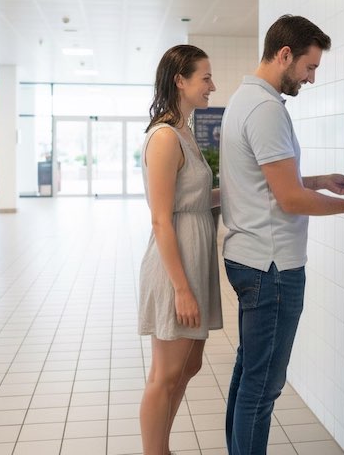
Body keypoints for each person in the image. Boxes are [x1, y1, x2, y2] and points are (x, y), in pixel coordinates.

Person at [220, 15, 344, 455]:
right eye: (309, 68)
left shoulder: (244, 100)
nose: (311, 79)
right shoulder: (266, 109)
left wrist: (320, 181)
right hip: (271, 266)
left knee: (247, 372)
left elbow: (269, 183)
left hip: (249, 256)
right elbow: (288, 200)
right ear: (285, 54)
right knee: (264, 387)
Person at [138, 44, 223, 455]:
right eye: (205, 77)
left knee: (189, 364)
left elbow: (195, 198)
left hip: (195, 257)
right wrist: (181, 288)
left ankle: (163, 447)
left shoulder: (185, 130)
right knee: (165, 375)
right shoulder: (165, 137)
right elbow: (161, 217)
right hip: (176, 266)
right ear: (180, 80)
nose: (212, 85)